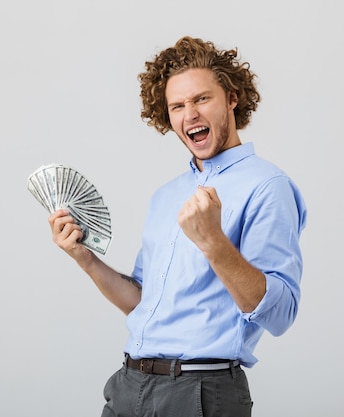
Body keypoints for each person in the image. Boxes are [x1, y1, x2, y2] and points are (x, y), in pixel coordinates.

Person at [47, 36, 307, 417]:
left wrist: (214, 243)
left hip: (200, 392)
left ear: (232, 97)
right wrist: (85, 259)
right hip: (128, 385)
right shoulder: (166, 196)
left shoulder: (268, 187)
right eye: (178, 106)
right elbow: (141, 301)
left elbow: (280, 315)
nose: (190, 115)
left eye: (202, 99)